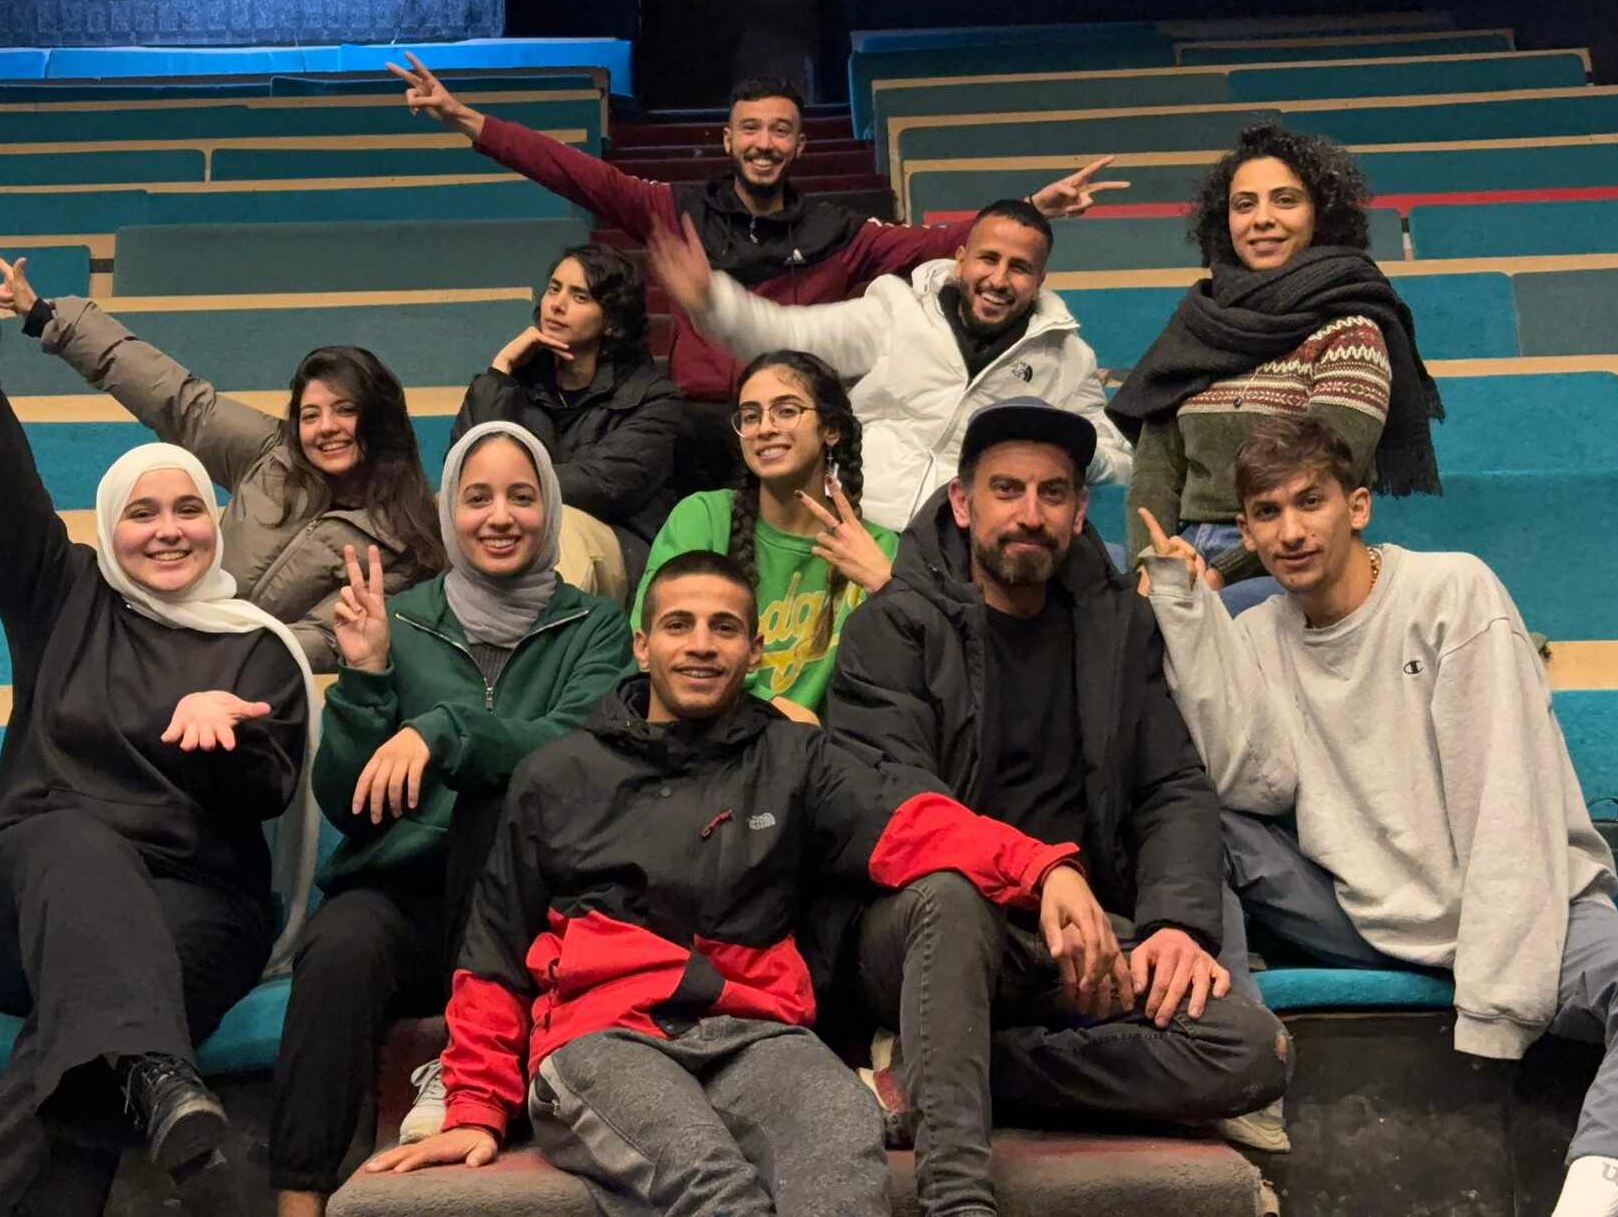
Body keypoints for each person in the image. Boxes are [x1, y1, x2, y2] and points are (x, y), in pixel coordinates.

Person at [368, 549, 1123, 1217]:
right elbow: (493, 954)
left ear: (756, 648)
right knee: (714, 1187)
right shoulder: (557, 774)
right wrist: (475, 1106)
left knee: (841, 1147)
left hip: (758, 1034)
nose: (701, 644)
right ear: (642, 644)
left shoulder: (796, 758)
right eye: (679, 625)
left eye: (725, 627)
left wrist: (1042, 868)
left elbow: (912, 823)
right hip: (603, 1039)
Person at [1140, 414, 1618, 1217]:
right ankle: (1228, 1065)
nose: (1293, 530)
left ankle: (1587, 1204)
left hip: (1518, 911)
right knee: (1202, 817)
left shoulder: (1452, 590)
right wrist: (1190, 617)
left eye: (1311, 502)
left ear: (1360, 506)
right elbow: (1250, 780)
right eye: (1268, 513)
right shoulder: (1256, 631)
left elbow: (1506, 798)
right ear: (1245, 530)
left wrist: (1495, 1000)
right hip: (1361, 907)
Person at [0, 216, 315, 1216]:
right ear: (110, 527)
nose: (167, 529)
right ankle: (165, 1077)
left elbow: (269, 785)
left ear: (214, 525)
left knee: (84, 1045)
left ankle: (143, 1077)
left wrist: (225, 733)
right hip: (17, 909)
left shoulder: (257, 642)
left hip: (194, 911)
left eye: (186, 510)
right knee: (71, 839)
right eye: (143, 511)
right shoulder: (63, 595)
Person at [821, 396, 1290, 1213]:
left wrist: (1177, 923)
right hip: (923, 935)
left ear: (1079, 512)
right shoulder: (892, 627)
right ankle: (959, 1198)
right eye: (1006, 491)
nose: (1028, 515)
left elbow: (1171, 785)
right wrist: (1041, 876)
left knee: (1249, 1052)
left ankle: (940, 1070)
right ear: (964, 505)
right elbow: (892, 803)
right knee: (951, 898)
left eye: (1053, 493)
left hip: (1075, 943)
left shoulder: (1117, 625)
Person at [391, 53, 1128, 487]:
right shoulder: (671, 208)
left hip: (796, 418)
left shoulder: (842, 231)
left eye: (780, 129)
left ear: (801, 145)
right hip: (695, 415)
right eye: (750, 128)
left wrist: (1034, 205)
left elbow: (940, 246)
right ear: (728, 138)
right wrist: (470, 121)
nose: (764, 142)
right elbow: (575, 173)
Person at [271, 421, 633, 1216]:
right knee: (336, 948)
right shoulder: (397, 621)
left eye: (521, 497)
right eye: (476, 499)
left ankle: (475, 1082)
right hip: (405, 894)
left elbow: (573, 751)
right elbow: (347, 800)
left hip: (537, 904)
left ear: (550, 508)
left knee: (497, 796)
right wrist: (365, 680)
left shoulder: (597, 627)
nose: (499, 516)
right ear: (448, 514)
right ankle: (298, 1199)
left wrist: (445, 731)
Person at [0, 254, 445, 669]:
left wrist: (231, 654)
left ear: (380, 417)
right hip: (165, 633)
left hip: (249, 677)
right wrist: (50, 319)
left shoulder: (407, 538)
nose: (325, 427)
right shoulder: (273, 451)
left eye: (345, 410)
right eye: (310, 415)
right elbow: (174, 398)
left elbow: (327, 635)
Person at [1108, 123, 1443, 615]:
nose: (1261, 219)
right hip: (1181, 555)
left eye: (1284, 201)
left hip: (1289, 558)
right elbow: (1155, 472)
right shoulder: (1196, 327)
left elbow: (1322, 481)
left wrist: (1220, 570)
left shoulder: (1352, 330)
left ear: (1319, 215)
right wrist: (1152, 561)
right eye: (1245, 205)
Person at [646, 196, 1131, 529]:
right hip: (860, 520)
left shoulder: (1067, 357)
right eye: (988, 259)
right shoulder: (895, 312)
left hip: (970, 544)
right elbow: (789, 335)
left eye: (1020, 267)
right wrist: (712, 301)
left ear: (1041, 278)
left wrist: (1055, 437)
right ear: (960, 259)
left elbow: (1119, 461)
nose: (999, 279)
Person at [634, 349, 897, 723]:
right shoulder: (705, 517)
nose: (765, 428)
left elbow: (904, 682)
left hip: (819, 755)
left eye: (786, 411)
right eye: (751, 416)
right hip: (707, 728)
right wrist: (769, 709)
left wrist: (886, 588)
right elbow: (653, 636)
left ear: (831, 429)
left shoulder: (879, 547)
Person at [452, 241, 681, 599]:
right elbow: (467, 464)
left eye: (579, 296)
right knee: (441, 510)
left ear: (611, 322)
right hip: (524, 527)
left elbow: (606, 486)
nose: (556, 304)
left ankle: (548, 653)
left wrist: (509, 491)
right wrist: (501, 371)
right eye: (554, 289)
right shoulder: (517, 385)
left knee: (563, 533)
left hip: (616, 542)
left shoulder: (653, 396)